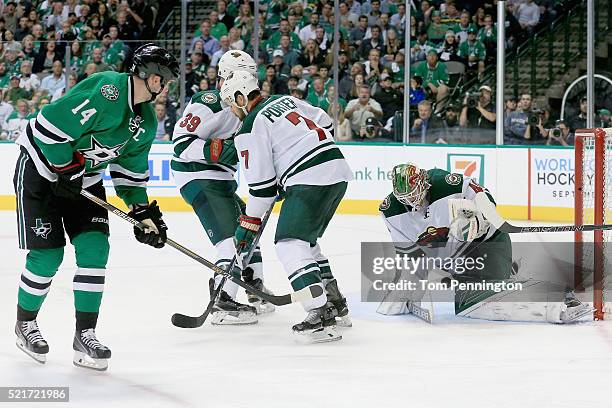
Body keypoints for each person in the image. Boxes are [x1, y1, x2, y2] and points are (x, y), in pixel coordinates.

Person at [13, 43, 179, 370]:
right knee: (49, 255)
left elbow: (128, 176)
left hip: (83, 180)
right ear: (150, 76)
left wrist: (141, 213)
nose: (167, 86)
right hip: (41, 170)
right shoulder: (108, 91)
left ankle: (84, 334)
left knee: (95, 248)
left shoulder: (145, 121)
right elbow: (48, 128)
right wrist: (65, 167)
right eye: (166, 79)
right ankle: (25, 323)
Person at [220, 70, 353, 342]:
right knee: (306, 242)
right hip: (336, 169)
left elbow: (261, 190)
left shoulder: (249, 126)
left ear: (240, 96)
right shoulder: (286, 100)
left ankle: (319, 313)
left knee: (289, 243)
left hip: (310, 176)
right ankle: (334, 302)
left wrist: (247, 225)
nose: (232, 112)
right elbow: (325, 121)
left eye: (232, 104)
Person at [377, 163, 591, 323]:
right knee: (400, 303)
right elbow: (410, 254)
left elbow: (482, 194)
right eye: (405, 197)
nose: (412, 201)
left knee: (473, 304)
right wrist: (409, 289)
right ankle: (515, 277)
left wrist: (482, 217)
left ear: (425, 182)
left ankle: (557, 301)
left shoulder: (447, 183)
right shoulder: (390, 211)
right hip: (460, 264)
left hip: (487, 245)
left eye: (415, 194)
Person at [171, 50, 272, 321]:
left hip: (222, 179)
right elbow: (180, 143)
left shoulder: (250, 107)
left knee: (251, 227)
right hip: (199, 176)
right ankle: (222, 301)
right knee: (230, 240)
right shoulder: (208, 104)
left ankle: (252, 285)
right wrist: (219, 151)